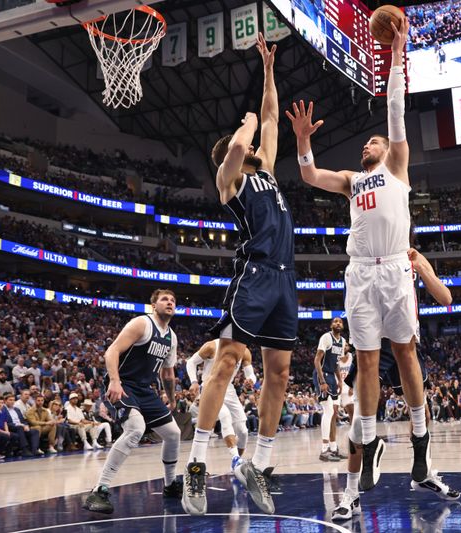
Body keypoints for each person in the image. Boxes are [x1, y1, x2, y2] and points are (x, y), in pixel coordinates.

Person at [288, 19, 433, 493]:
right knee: (367, 362)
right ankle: (368, 447)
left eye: (373, 140)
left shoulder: (396, 164)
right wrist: (304, 140)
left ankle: (419, 440)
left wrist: (398, 53)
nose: (367, 143)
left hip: (394, 270)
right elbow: (309, 177)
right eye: (366, 142)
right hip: (359, 275)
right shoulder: (352, 179)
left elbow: (395, 106)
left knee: (406, 354)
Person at [182, 33, 295, 517]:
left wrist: (268, 71)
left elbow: (270, 117)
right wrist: (243, 124)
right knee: (226, 363)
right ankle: (196, 464)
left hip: (286, 279)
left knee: (280, 372)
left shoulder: (265, 167)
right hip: (253, 275)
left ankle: (261, 468)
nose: (248, 143)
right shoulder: (230, 180)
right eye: (241, 144)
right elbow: (244, 137)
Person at [332, 248, 459, 521]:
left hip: (404, 343)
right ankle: (351, 494)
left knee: (421, 412)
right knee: (357, 426)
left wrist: (421, 268)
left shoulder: (409, 256)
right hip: (374, 346)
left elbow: (446, 298)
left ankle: (423, 473)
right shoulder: (367, 255)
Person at [82, 289, 182, 514]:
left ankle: (170, 485)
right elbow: (112, 351)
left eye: (173, 300)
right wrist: (115, 381)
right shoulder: (142, 324)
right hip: (123, 383)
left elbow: (167, 374)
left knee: (173, 434)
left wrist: (172, 399)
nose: (170, 302)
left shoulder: (171, 337)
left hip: (145, 389)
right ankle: (99, 490)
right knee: (135, 429)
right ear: (153, 305)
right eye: (164, 299)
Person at [186, 340, 254, 462]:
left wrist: (250, 381)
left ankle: (237, 462)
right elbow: (191, 362)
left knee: (243, 431)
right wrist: (194, 381)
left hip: (229, 390)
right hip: (210, 386)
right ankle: (234, 456)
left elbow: (251, 374)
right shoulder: (211, 346)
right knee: (225, 416)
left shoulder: (244, 351)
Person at [314, 317, 346, 462]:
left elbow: (337, 364)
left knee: (333, 414)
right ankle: (324, 450)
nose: (337, 323)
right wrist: (322, 381)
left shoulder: (343, 341)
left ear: (343, 326)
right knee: (328, 412)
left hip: (333, 376)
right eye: (335, 321)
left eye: (340, 322)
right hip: (323, 375)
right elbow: (316, 360)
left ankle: (333, 448)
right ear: (331, 325)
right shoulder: (326, 337)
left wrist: (340, 381)